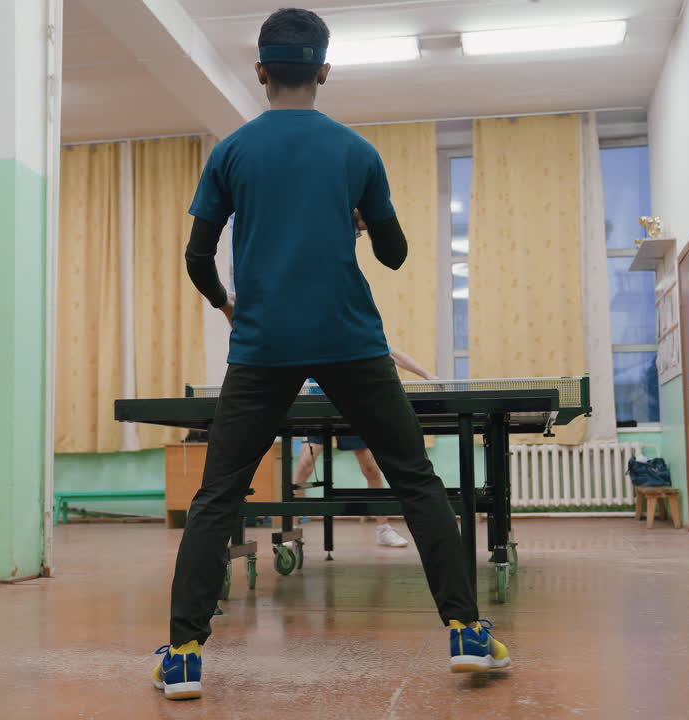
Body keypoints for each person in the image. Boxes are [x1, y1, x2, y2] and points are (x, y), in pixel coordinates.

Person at [151, 8, 510, 701]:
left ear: (260, 73)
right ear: (324, 71)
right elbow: (397, 255)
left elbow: (198, 258)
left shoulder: (230, 153)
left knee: (218, 496)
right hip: (351, 340)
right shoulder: (356, 153)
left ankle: (186, 653)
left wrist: (230, 307)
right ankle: (466, 631)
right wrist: (358, 221)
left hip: (262, 347)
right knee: (416, 482)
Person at [292, 346, 438, 548]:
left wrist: (427, 375)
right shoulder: (312, 334)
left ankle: (383, 529)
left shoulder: (355, 330)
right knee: (305, 465)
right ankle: (290, 529)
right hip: (318, 403)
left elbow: (393, 354)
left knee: (371, 467)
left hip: (352, 404)